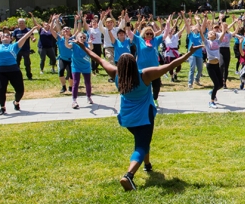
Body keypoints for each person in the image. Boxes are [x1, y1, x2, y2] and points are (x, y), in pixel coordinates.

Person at [77, 38, 201, 191]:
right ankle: (128, 175)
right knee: (140, 147)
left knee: (142, 140)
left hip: (127, 118)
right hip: (144, 117)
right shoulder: (145, 75)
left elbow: (97, 58)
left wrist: (83, 47)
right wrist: (189, 53)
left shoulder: (115, 73)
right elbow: (171, 65)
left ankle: (147, 165)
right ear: (134, 63)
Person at [0, 22, 39, 115]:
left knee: (20, 90)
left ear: (11, 38)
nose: (5, 36)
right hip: (0, 72)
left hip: (14, 71)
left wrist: (33, 29)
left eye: (7, 36)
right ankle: (2, 107)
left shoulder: (14, 46)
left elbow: (25, 37)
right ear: (1, 38)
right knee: (1, 89)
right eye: (3, 36)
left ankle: (16, 102)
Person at [128, 20, 166, 108]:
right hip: (142, 68)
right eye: (147, 33)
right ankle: (143, 101)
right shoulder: (138, 40)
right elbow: (129, 33)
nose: (149, 35)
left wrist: (167, 24)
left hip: (154, 68)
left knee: (156, 85)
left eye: (150, 34)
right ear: (144, 34)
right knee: (144, 86)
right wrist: (127, 23)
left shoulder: (155, 40)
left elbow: (165, 34)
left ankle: (155, 99)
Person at [66, 27, 94, 109]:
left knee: (88, 83)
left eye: (84, 37)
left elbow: (91, 48)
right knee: (76, 82)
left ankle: (89, 97)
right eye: (81, 37)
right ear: (77, 38)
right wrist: (66, 39)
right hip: (76, 66)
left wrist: (91, 43)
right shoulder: (74, 44)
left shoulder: (86, 45)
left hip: (86, 67)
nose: (82, 39)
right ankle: (74, 101)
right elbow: (68, 45)